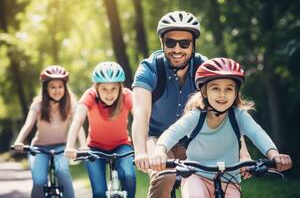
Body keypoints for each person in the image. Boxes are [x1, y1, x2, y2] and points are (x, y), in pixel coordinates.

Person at [132, 11, 251, 197]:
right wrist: (140, 152)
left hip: (195, 137)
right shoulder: (149, 69)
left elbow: (227, 111)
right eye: (170, 42)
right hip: (157, 138)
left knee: (218, 178)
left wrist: (243, 153)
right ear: (162, 43)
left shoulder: (205, 68)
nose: (177, 49)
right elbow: (141, 113)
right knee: (164, 177)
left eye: (184, 43)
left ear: (193, 45)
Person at [149, 58, 293, 198]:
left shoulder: (239, 116)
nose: (222, 94)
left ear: (236, 92)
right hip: (196, 176)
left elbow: (258, 133)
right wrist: (159, 151)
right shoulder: (196, 116)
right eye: (215, 88)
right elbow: (172, 132)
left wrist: (274, 155)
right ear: (204, 92)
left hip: (229, 180)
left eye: (229, 89)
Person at [64, 62, 136, 198]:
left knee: (129, 176)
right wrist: (70, 146)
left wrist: (142, 147)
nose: (109, 94)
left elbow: (139, 119)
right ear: (96, 88)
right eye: (104, 89)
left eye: (114, 89)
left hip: (122, 145)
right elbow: (77, 120)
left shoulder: (127, 96)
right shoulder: (90, 95)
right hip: (95, 147)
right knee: (99, 192)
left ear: (120, 87)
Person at [13, 65, 86, 198]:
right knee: (39, 181)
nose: (57, 90)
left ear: (65, 87)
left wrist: (83, 145)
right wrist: (19, 140)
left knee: (63, 172)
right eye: (52, 87)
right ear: (45, 89)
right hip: (39, 148)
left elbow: (78, 125)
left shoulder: (71, 104)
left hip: (61, 148)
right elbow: (28, 124)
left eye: (60, 86)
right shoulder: (38, 105)